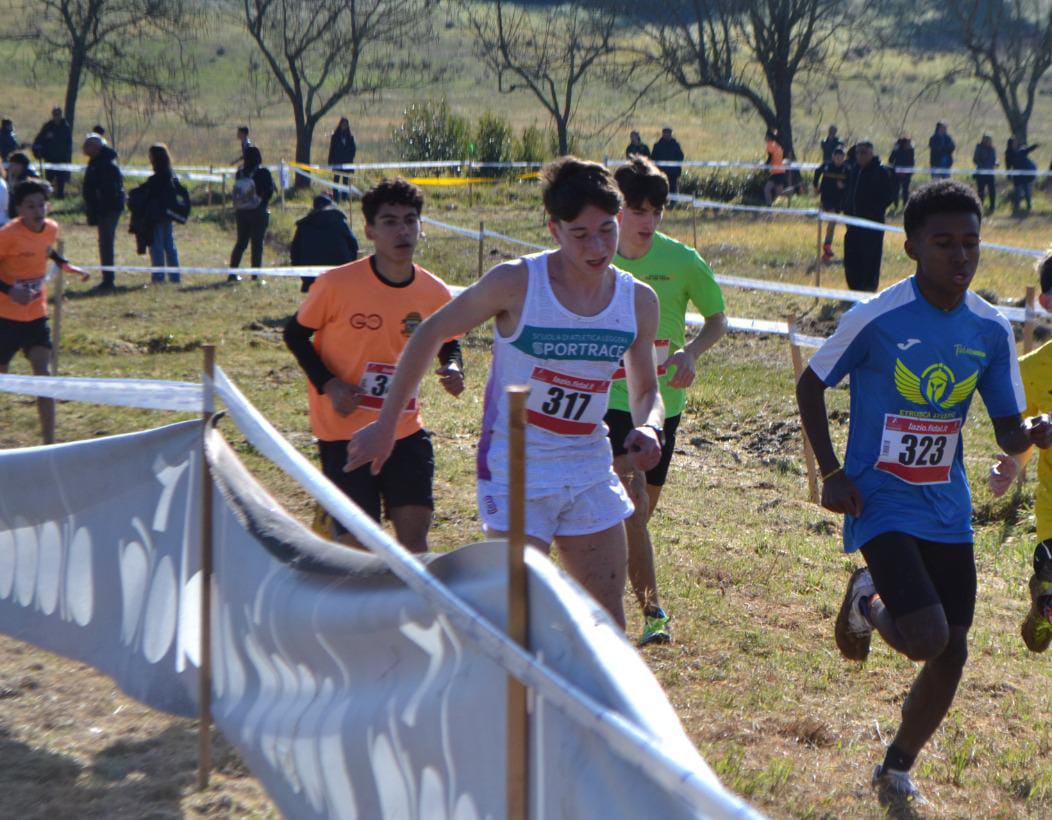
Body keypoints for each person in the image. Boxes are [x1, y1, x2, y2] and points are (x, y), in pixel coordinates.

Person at [796, 179, 1052, 809]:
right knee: (926, 636)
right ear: (911, 246)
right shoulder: (877, 317)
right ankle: (868, 599)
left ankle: (896, 766)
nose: (960, 256)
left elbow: (1006, 427)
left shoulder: (990, 329)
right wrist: (831, 472)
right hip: (878, 498)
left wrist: (1033, 433)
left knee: (952, 651)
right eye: (943, 243)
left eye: (971, 243)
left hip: (945, 503)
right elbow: (811, 384)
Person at [345, 157, 665, 629]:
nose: (597, 247)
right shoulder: (517, 283)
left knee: (608, 621)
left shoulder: (637, 300)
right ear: (554, 230)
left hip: (588, 463)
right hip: (516, 463)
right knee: (518, 617)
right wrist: (386, 426)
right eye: (580, 234)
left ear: (619, 220)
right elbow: (430, 332)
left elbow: (646, 390)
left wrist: (650, 427)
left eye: (606, 230)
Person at [283, 178, 463, 552]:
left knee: (414, 544)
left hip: (403, 428)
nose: (402, 231)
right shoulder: (336, 284)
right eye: (390, 222)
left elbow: (449, 340)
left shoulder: (434, 291)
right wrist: (330, 384)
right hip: (343, 431)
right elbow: (295, 335)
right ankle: (336, 528)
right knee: (360, 551)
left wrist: (454, 367)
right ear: (369, 230)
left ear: (421, 226)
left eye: (410, 220)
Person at [608, 157, 727, 644]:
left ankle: (601, 592)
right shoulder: (596, 257)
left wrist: (691, 352)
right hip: (610, 401)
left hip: (662, 405)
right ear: (617, 210)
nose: (649, 221)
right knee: (631, 507)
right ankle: (651, 614)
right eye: (639, 211)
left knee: (637, 516)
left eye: (656, 211)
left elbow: (718, 319)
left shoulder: (682, 261)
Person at [988, 252, 1052, 652]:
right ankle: (1046, 600)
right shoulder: (1031, 370)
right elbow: (1026, 435)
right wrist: (1013, 464)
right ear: (1046, 302)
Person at [0, 180, 89, 443]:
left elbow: (45, 248)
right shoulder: (7, 235)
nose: (38, 211)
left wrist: (65, 264)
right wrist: (10, 290)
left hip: (36, 316)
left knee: (44, 374)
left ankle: (49, 443)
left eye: (42, 205)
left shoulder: (51, 228)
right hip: (5, 317)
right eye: (31, 206)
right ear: (19, 210)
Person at [842, 140, 894, 292]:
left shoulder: (880, 172)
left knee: (870, 257)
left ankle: (868, 288)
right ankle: (854, 288)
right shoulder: (854, 171)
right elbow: (848, 193)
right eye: (857, 153)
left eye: (863, 152)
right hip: (853, 224)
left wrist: (873, 210)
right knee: (852, 256)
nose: (860, 156)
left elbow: (888, 197)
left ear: (871, 153)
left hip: (872, 225)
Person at [136, 144, 190, 284]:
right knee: (169, 246)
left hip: (157, 216)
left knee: (157, 247)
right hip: (167, 215)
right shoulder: (170, 175)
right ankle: (175, 277)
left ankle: (159, 277)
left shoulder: (158, 178)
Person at [81, 133, 125, 293]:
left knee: (106, 242)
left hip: (108, 209)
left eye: (88, 145)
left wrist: (99, 205)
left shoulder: (106, 165)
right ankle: (107, 277)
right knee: (104, 242)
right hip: (102, 209)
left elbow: (109, 191)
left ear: (97, 147)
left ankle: (108, 280)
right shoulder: (96, 162)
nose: (84, 148)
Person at [290, 193, 359, 293]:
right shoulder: (340, 223)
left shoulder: (303, 226)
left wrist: (302, 271)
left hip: (311, 277)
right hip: (340, 274)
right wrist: (348, 265)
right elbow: (354, 246)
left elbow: (295, 252)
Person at [228, 145, 274, 283]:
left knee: (241, 243)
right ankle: (255, 276)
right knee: (257, 244)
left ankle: (232, 273)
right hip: (258, 211)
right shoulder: (264, 172)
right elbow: (269, 191)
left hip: (241, 211)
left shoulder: (240, 173)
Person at [813, 146, 849, 262]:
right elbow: (817, 172)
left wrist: (844, 186)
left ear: (844, 158)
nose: (839, 160)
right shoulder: (827, 166)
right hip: (826, 198)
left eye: (841, 157)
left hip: (839, 200)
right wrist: (815, 186)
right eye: (837, 157)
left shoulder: (846, 169)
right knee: (832, 219)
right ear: (833, 157)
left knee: (834, 224)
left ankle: (828, 248)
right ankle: (827, 246)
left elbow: (852, 183)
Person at [31, 107, 72, 199]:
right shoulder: (48, 126)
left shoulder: (65, 127)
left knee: (61, 180)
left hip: (62, 158)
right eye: (55, 114)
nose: (57, 116)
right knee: (49, 180)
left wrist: (68, 156)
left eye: (58, 114)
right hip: (50, 158)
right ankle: (46, 197)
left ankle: (60, 197)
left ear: (61, 115)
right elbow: (39, 139)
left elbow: (69, 143)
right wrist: (45, 138)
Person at [1005, 137, 1039, 216]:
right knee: (1017, 192)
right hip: (1017, 176)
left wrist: (1035, 145)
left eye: (1016, 142)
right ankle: (1016, 208)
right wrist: (1008, 175)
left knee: (1027, 192)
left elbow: (1028, 149)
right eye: (1014, 142)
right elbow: (1008, 165)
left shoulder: (1021, 150)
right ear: (1010, 144)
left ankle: (1029, 207)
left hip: (1025, 175)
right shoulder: (1008, 154)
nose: (1015, 143)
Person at [328, 117, 356, 202]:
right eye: (343, 124)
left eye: (346, 124)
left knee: (345, 181)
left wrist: (350, 159)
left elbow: (353, 150)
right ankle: (335, 198)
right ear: (340, 125)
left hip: (347, 163)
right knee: (336, 181)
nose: (344, 126)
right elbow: (332, 149)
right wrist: (330, 162)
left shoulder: (350, 137)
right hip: (337, 162)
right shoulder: (335, 137)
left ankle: (344, 198)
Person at [651, 126, 684, 195]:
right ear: (662, 134)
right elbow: (653, 158)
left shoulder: (676, 145)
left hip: (673, 172)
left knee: (673, 189)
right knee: (660, 189)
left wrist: (676, 169)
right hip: (661, 172)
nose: (667, 134)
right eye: (665, 133)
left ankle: (674, 200)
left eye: (668, 133)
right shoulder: (657, 145)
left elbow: (680, 157)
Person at [6, 153, 38, 220]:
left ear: (20, 165)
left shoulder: (29, 177)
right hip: (12, 213)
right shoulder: (11, 175)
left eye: (12, 164)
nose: (10, 167)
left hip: (27, 214)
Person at [887, 136, 915, 209]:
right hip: (896, 173)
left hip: (906, 173)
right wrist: (894, 150)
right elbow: (890, 160)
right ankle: (896, 205)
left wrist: (911, 170)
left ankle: (905, 205)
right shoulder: (897, 150)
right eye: (908, 143)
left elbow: (912, 161)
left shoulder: (911, 150)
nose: (910, 145)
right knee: (896, 190)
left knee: (905, 190)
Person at [972, 134, 997, 212]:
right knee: (981, 191)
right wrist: (983, 164)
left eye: (990, 140)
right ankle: (980, 206)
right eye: (987, 140)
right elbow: (975, 159)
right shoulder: (979, 148)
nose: (989, 142)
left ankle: (992, 206)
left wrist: (996, 162)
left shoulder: (992, 149)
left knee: (992, 190)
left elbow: (994, 159)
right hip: (981, 173)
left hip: (990, 173)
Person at [763, 129, 787, 205]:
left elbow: (770, 157)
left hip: (777, 172)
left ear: (769, 137)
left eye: (766, 136)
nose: (765, 138)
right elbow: (780, 157)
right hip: (780, 171)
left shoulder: (770, 145)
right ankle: (770, 206)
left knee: (767, 189)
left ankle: (769, 206)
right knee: (778, 192)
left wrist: (765, 166)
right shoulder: (777, 145)